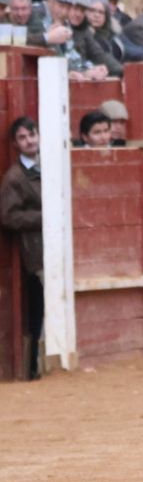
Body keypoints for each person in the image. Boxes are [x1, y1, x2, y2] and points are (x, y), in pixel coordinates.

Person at [1, 117, 43, 379]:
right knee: (38, 308)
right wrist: (45, 217)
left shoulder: (51, 163)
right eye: (23, 137)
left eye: (32, 134)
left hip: (49, 248)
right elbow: (7, 216)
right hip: (35, 252)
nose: (30, 141)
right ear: (15, 144)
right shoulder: (15, 177)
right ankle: (33, 366)